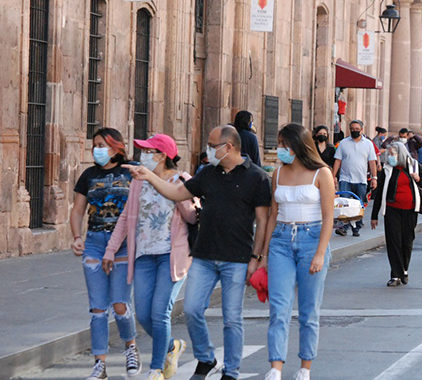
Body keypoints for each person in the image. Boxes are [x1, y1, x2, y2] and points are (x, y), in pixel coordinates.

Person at [124, 125, 271, 380]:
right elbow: (177, 192)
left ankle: (232, 371)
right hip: (204, 255)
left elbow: (263, 220)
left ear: (229, 147)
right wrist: (149, 176)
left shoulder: (256, 177)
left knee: (232, 319)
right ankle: (205, 357)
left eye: (213, 145)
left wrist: (257, 258)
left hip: (237, 257)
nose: (208, 150)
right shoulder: (208, 174)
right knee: (192, 310)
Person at [103, 134, 197, 380]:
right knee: (143, 314)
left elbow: (192, 217)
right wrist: (111, 249)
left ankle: (156, 369)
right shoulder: (138, 183)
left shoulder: (181, 180)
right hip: (144, 255)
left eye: (148, 151)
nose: (143, 156)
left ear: (162, 156)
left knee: (159, 313)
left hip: (171, 256)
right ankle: (171, 347)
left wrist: (182, 198)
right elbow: (125, 218)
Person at [260, 124, 335, 380]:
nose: (280, 149)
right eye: (279, 144)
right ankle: (276, 367)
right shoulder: (278, 173)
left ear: (299, 145)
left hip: (311, 239)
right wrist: (265, 253)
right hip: (281, 240)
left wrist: (320, 252)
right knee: (279, 308)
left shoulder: (322, 174)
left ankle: (305, 367)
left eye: (284, 145)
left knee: (308, 310)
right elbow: (272, 214)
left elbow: (328, 218)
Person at [69, 127, 141, 380]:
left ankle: (130, 346)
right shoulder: (88, 175)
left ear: (115, 146)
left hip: (122, 243)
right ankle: (99, 363)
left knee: (120, 304)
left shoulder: (131, 171)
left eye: (101, 144)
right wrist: (77, 237)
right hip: (95, 242)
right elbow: (78, 210)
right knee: (98, 308)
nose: (96, 149)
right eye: (94, 144)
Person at [371, 142, 422, 286]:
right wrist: (374, 215)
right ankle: (395, 275)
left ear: (401, 154)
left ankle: (404, 269)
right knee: (393, 242)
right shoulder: (387, 169)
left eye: (393, 154)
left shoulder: (414, 165)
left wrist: (418, 179)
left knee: (407, 241)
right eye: (389, 154)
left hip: (410, 210)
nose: (390, 157)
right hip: (392, 210)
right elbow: (379, 194)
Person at [332, 119, 378, 237]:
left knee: (359, 204)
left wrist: (374, 178)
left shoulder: (368, 144)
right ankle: (344, 227)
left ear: (361, 130)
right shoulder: (343, 143)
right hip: (345, 178)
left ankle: (356, 228)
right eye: (352, 129)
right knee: (345, 203)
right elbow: (338, 160)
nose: (354, 131)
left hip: (361, 179)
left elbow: (372, 162)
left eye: (357, 129)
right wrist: (333, 177)